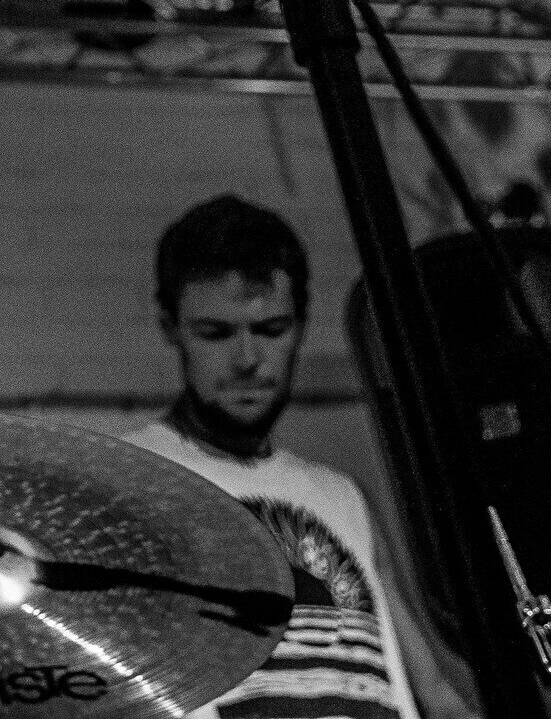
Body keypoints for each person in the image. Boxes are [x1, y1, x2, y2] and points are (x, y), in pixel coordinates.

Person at [121, 195, 471, 719]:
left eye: (271, 330)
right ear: (170, 327)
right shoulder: (126, 478)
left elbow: (437, 694)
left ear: (302, 325)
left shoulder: (341, 496)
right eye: (216, 333)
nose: (247, 359)